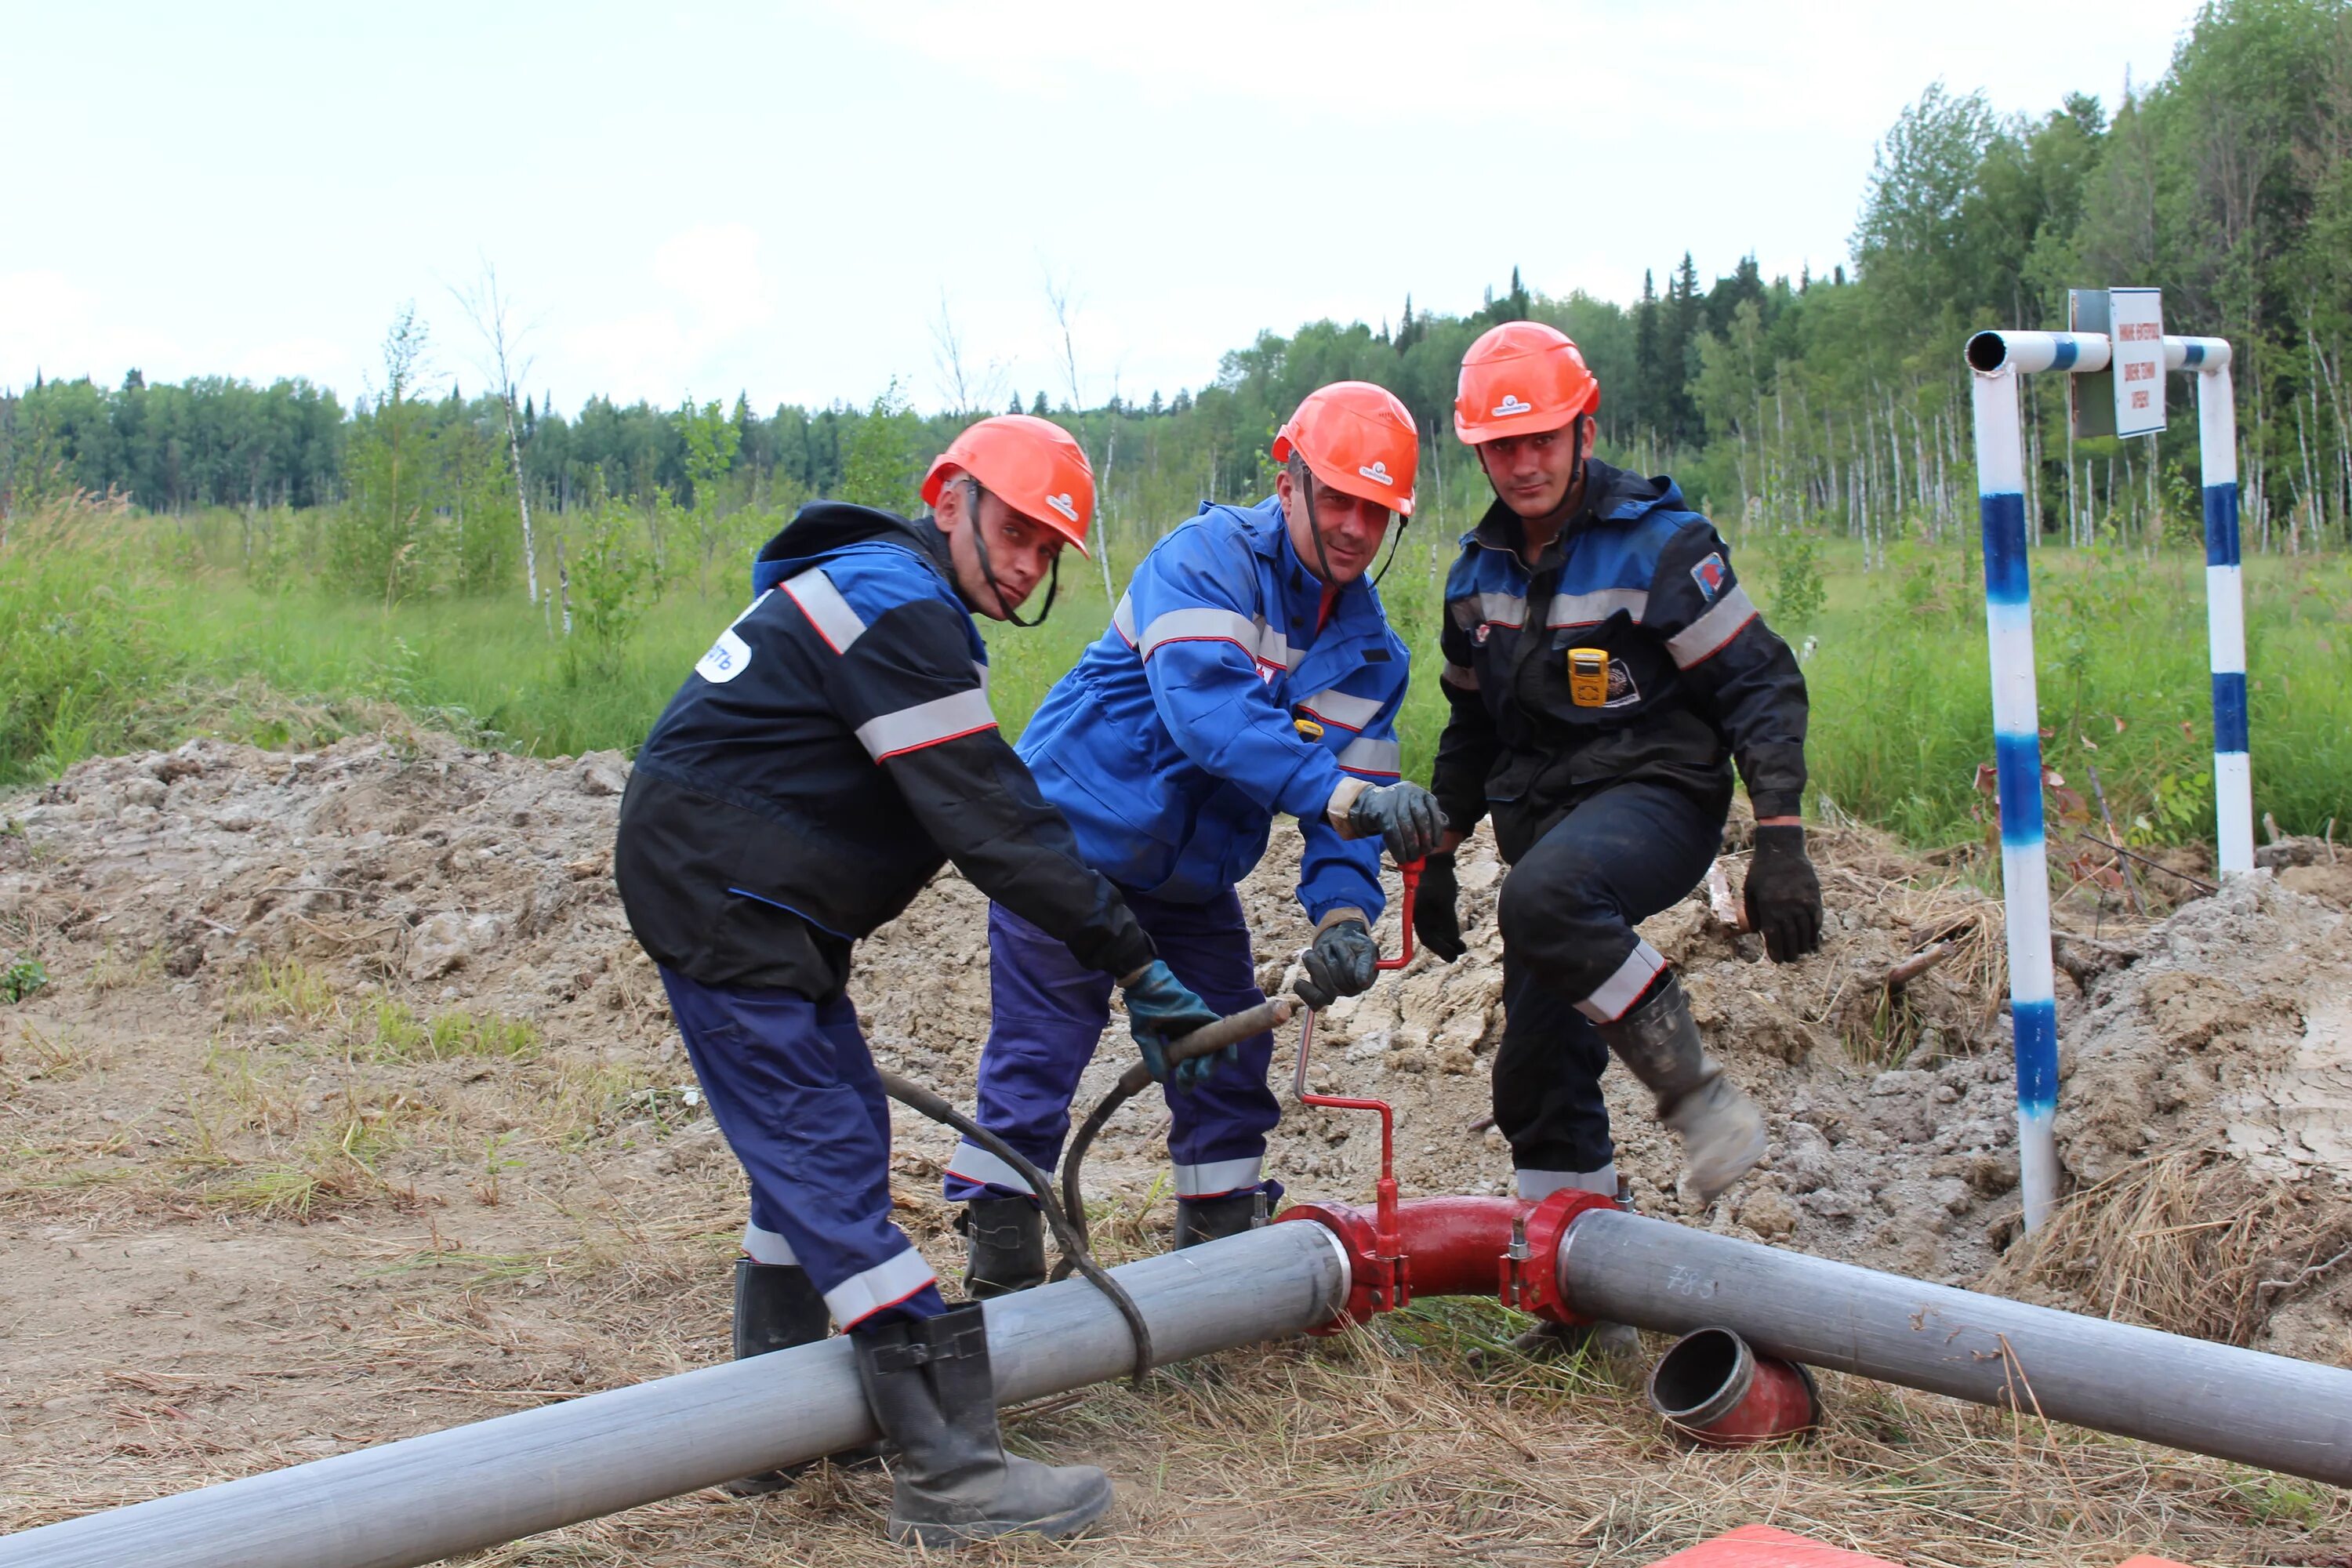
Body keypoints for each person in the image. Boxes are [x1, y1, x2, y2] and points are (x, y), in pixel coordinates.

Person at [613, 414, 1223, 1546]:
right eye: (1017, 533)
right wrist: (1134, 959)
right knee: (828, 1160)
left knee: (828, 1133)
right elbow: (994, 820)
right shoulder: (895, 608)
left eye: (1050, 549)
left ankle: (776, 1422)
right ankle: (949, 1469)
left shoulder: (890, 594)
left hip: (751, 889)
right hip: (724, 890)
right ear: (949, 499)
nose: (1030, 565)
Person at [940, 383, 1447, 1295]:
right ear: (1287, 480)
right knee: (1042, 1054)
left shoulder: (1372, 655)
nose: (1355, 528)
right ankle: (1001, 1288)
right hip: (1066, 846)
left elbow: (1357, 802)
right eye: (1338, 498)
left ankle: (1213, 1286)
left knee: (1226, 1055)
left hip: (1188, 881)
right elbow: (1210, 714)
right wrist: (1346, 798)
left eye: (1378, 512)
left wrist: (1342, 914)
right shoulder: (1204, 561)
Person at [1416, 321, 1821, 1225]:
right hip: (1549, 828)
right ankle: (1582, 1297)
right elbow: (1471, 726)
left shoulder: (1662, 547)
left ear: (1583, 433)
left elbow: (1761, 685)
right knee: (1534, 1072)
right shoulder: (1474, 578)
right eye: (1502, 446)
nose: (1524, 464)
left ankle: (1699, 1098)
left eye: (1542, 440)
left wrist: (1782, 839)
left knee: (1540, 898)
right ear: (1479, 451)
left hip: (1658, 799)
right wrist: (1439, 851)